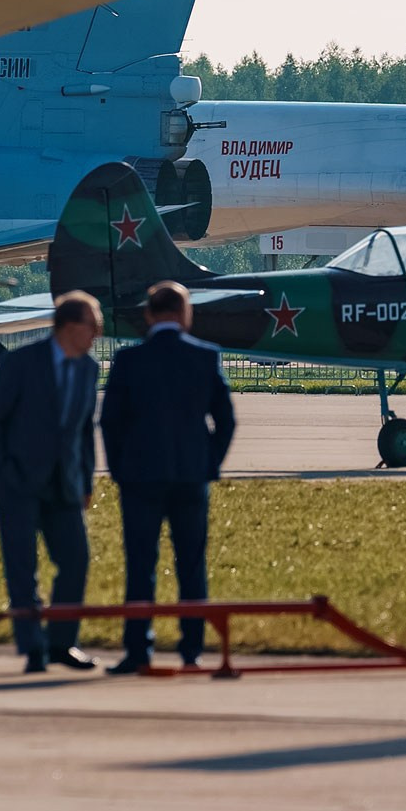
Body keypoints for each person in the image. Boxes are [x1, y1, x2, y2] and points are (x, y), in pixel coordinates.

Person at [100, 280, 236, 674]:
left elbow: (110, 423)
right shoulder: (205, 357)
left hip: (140, 476)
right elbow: (225, 420)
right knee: (191, 563)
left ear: (148, 315)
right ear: (185, 314)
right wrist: (210, 461)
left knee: (140, 564)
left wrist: (119, 470)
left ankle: (138, 649)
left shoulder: (128, 361)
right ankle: (191, 649)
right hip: (191, 474)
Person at [0, 290, 102, 673]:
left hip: (64, 483)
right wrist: (4, 469)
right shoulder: (21, 363)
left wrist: (86, 481)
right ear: (69, 326)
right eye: (92, 326)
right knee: (22, 566)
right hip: (19, 480)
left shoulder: (88, 368)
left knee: (76, 559)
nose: (97, 334)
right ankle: (32, 647)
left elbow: (82, 431)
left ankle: (62, 643)